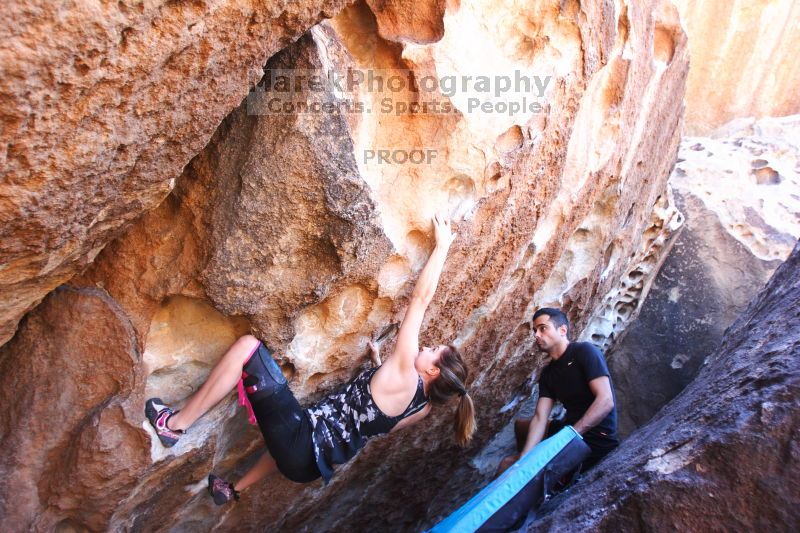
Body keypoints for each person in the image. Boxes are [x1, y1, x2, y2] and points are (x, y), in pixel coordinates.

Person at [144, 214, 476, 504]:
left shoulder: (406, 373)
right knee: (292, 438)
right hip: (309, 467)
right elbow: (378, 417)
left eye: (433, 351)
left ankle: (173, 425)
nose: (427, 347)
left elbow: (420, 300)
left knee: (247, 347)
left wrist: (443, 247)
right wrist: (376, 367)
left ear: (433, 369)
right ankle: (233, 489)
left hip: (301, 441)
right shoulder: (423, 407)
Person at [497, 307, 618, 478]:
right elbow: (540, 417)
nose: (536, 335)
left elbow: (606, 401)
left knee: (506, 464)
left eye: (543, 328)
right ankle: (526, 464)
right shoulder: (548, 374)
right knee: (519, 432)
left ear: (562, 330)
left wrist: (570, 436)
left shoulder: (584, 352)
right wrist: (524, 458)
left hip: (594, 438)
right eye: (535, 330)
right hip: (568, 428)